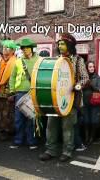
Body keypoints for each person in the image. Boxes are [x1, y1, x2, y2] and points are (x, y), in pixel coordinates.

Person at [39, 33, 89, 162]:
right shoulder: (55, 60)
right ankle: (50, 150)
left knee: (67, 127)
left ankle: (67, 151)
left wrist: (78, 86)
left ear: (70, 45)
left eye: (63, 44)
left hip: (70, 99)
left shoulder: (78, 60)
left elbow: (84, 78)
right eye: (59, 44)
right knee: (51, 126)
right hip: (55, 98)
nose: (60, 46)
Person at [8, 38, 39, 149]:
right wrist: (11, 91)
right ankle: (18, 140)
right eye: (23, 48)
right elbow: (12, 77)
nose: (24, 50)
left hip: (33, 92)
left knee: (31, 118)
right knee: (18, 118)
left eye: (26, 48)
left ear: (31, 48)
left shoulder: (39, 60)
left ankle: (31, 141)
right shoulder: (18, 61)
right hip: (20, 92)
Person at [82, 61, 100, 145]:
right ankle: (86, 137)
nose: (91, 68)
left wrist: (91, 85)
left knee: (93, 121)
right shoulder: (83, 77)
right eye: (90, 67)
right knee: (86, 121)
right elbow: (79, 88)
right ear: (87, 68)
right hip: (85, 102)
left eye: (93, 67)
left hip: (94, 102)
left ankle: (92, 137)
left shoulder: (97, 77)